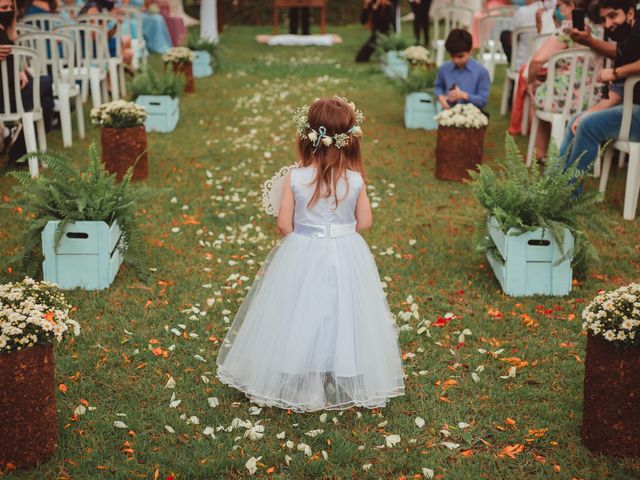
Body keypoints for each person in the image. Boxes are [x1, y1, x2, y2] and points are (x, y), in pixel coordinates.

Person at [216, 97, 405, 412]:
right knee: (342, 309)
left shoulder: (296, 177)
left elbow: (283, 224)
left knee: (302, 311)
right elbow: (366, 222)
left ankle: (310, 382)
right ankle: (342, 367)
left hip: (302, 250)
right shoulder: (355, 180)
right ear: (349, 140)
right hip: (346, 251)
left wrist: (306, 233)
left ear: (307, 137)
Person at [559, 0, 640, 174]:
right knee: (577, 121)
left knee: (588, 125)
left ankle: (568, 195)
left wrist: (616, 72)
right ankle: (548, 187)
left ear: (631, 13)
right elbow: (615, 95)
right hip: (630, 110)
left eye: (612, 16)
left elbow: (617, 75)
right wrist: (589, 113)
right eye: (604, 20)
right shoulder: (625, 41)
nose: (608, 24)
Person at [524, 0, 603, 159]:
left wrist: (530, 81)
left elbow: (537, 60)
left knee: (535, 94)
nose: (557, 9)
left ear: (572, 6)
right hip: (594, 98)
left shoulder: (568, 29)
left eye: (559, 6)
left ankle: (540, 152)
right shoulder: (600, 29)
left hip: (564, 98)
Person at [0, 0, 55, 164]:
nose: (8, 11)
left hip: (12, 93)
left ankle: (19, 150)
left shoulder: (5, 31)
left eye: (11, 8)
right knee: (46, 82)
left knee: (45, 101)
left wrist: (20, 71)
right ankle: (19, 151)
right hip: (6, 99)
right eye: (3, 8)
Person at [434, 28, 491, 110]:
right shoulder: (444, 69)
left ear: (470, 50)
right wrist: (440, 97)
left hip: (472, 115)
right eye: (452, 56)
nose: (456, 60)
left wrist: (463, 95)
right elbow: (438, 86)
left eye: (460, 56)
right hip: (448, 113)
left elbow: (483, 100)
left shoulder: (481, 72)